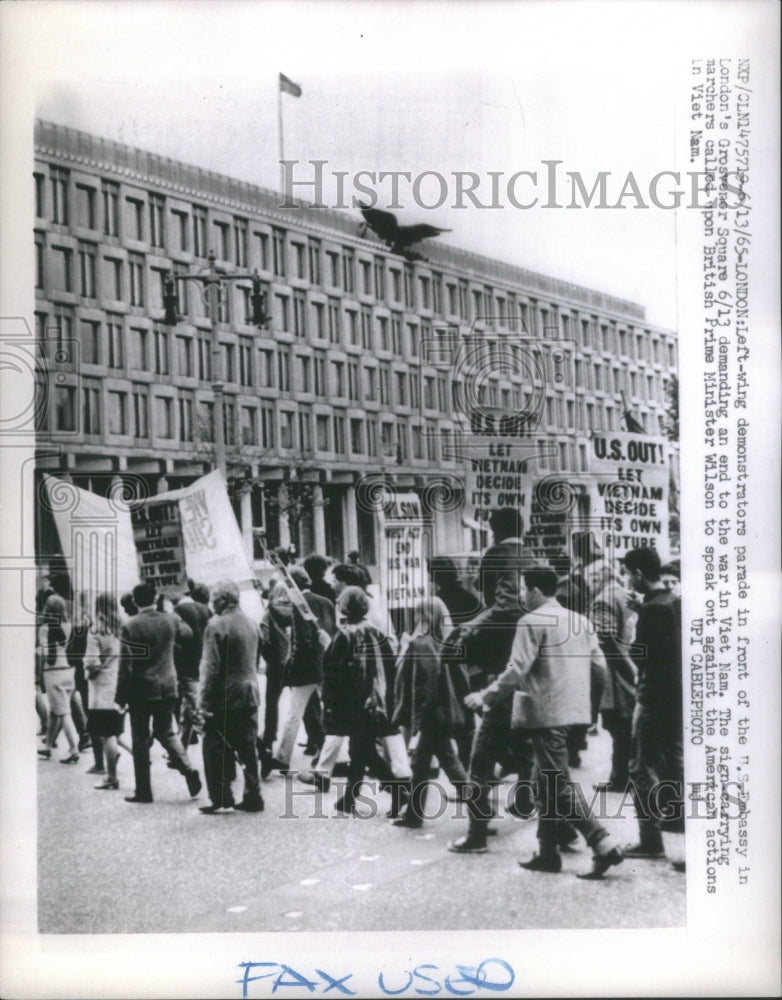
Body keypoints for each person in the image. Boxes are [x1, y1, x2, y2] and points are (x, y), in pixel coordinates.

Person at [456, 566, 624, 880]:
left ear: (534, 590)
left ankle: (601, 842)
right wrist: (588, 710)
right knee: (544, 782)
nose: (521, 595)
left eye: (523, 589)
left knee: (555, 785)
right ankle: (547, 853)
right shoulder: (580, 620)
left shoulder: (530, 621)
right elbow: (598, 667)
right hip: (574, 712)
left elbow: (517, 668)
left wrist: (486, 696)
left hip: (545, 715)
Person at [619, 547, 684, 869]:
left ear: (639, 574)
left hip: (652, 696)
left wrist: (636, 620)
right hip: (677, 695)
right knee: (674, 760)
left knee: (640, 766)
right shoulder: (674, 601)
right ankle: (679, 820)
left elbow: (640, 655)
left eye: (629, 573)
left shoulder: (650, 612)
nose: (628, 580)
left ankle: (650, 838)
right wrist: (641, 609)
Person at [115, 582, 202, 804]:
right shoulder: (169, 619)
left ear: (135, 601)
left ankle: (144, 791)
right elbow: (188, 634)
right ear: (155, 598)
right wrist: (171, 613)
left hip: (140, 689)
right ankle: (188, 769)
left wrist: (120, 697)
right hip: (169, 685)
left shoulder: (130, 626)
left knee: (140, 739)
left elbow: (125, 667)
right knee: (166, 732)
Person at [392, 598, 469, 828]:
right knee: (422, 763)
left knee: (447, 763)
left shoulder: (421, 644)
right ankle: (413, 815)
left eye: (418, 615)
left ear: (424, 617)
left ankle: (481, 810)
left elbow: (421, 686)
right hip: (443, 711)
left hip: (431, 714)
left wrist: (416, 720)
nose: (415, 619)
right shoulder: (447, 641)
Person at [320, 587, 397, 815]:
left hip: (352, 703)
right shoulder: (377, 633)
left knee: (364, 750)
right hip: (376, 701)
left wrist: (330, 704)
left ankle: (398, 790)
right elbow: (391, 667)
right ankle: (351, 796)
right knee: (360, 749)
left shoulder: (342, 636)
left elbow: (332, 673)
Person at [197, 580, 264, 814]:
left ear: (223, 600)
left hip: (224, 695)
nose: (211, 603)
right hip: (249, 691)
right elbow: (255, 661)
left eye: (214, 599)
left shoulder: (215, 625)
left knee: (213, 745)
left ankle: (220, 796)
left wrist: (202, 703)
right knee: (247, 746)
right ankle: (253, 794)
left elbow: (210, 668)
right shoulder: (252, 623)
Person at [270, 569, 333, 773]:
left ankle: (282, 758)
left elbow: (302, 642)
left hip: (305, 670)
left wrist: (292, 667)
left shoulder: (298, 607)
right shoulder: (327, 602)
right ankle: (335, 756)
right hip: (326, 665)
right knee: (332, 711)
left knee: (294, 714)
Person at [587, 562, 637, 792]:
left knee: (618, 727)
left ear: (599, 576)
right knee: (626, 727)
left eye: (590, 577)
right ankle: (625, 774)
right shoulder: (628, 594)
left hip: (615, 673)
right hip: (632, 665)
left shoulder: (602, 600)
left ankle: (621, 777)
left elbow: (605, 639)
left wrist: (627, 669)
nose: (588, 582)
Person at [37, 573, 81, 764]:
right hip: (69, 670)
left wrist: (39, 651)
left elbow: (46, 653)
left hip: (52, 672)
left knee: (63, 712)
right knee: (58, 711)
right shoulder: (69, 624)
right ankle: (47, 747)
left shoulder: (45, 628)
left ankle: (73, 748)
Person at [85, 593, 124, 790]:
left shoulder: (96, 631)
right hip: (118, 685)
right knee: (113, 732)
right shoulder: (121, 628)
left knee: (106, 734)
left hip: (100, 688)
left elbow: (92, 662)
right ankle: (112, 767)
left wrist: (89, 671)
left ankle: (111, 776)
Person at [173, 583, 212, 751]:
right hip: (204, 664)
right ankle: (180, 749)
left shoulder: (178, 612)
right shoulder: (205, 609)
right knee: (188, 708)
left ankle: (223, 749)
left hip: (186, 667)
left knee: (196, 710)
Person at [258, 580, 292, 763]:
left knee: (272, 703)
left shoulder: (269, 613)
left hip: (276, 665)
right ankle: (316, 741)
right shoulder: (296, 611)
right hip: (294, 662)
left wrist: (268, 657)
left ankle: (269, 739)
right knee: (304, 705)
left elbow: (264, 638)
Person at [428, 556, 483, 627]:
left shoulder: (439, 599)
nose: (429, 579)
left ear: (435, 577)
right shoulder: (469, 597)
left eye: (430, 575)